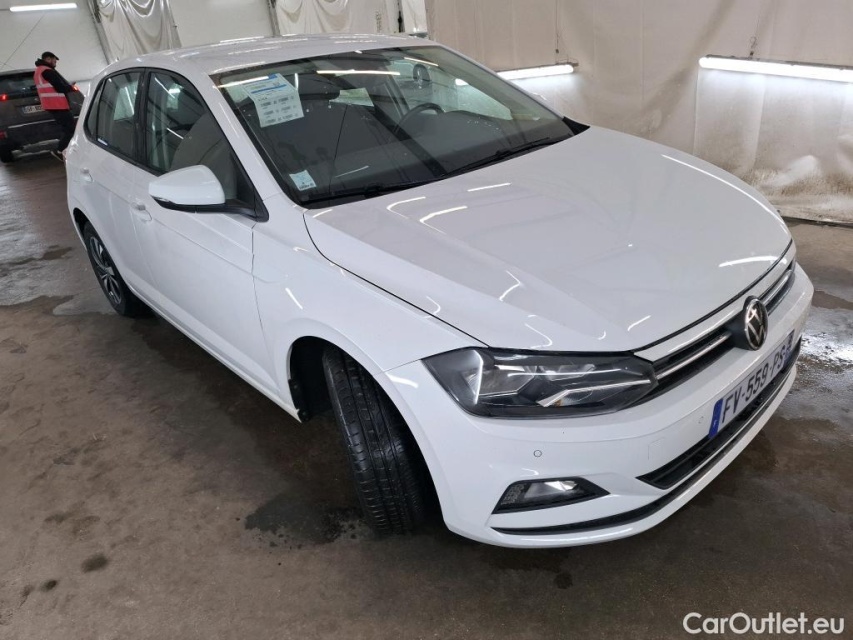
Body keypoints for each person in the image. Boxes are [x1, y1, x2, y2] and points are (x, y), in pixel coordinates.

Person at [34, 51, 79, 161]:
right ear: (48, 59)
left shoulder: (38, 71)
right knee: (70, 129)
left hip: (51, 105)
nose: (55, 63)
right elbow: (60, 88)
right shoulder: (48, 71)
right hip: (58, 105)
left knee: (66, 129)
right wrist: (71, 88)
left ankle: (65, 150)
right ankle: (59, 150)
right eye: (54, 61)